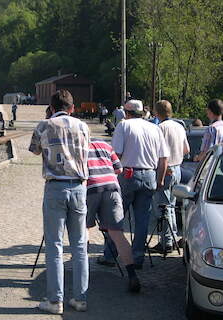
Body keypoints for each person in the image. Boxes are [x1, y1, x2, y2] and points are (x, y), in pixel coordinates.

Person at [29, 90, 90, 314]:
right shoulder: (84, 126)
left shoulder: (44, 125)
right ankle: (80, 299)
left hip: (55, 187)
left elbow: (35, 151)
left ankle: (55, 301)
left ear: (52, 108)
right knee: (79, 245)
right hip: (79, 188)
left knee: (55, 245)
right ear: (73, 108)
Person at [102, 99, 169, 269]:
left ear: (126, 112)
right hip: (149, 175)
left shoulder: (124, 126)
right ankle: (138, 256)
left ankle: (111, 255)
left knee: (116, 216)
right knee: (142, 219)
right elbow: (164, 158)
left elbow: (116, 154)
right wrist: (160, 179)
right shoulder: (155, 128)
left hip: (128, 174)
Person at [86, 137, 141, 293]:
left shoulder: (78, 146)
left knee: (84, 229)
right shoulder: (105, 144)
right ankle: (132, 276)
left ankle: (82, 274)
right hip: (112, 187)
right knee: (117, 234)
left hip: (90, 188)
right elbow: (119, 169)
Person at [149, 100, 190, 254]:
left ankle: (166, 242)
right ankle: (171, 238)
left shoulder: (160, 128)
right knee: (171, 206)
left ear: (157, 113)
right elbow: (187, 149)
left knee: (163, 207)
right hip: (178, 168)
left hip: (166, 169)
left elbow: (157, 153)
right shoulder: (180, 127)